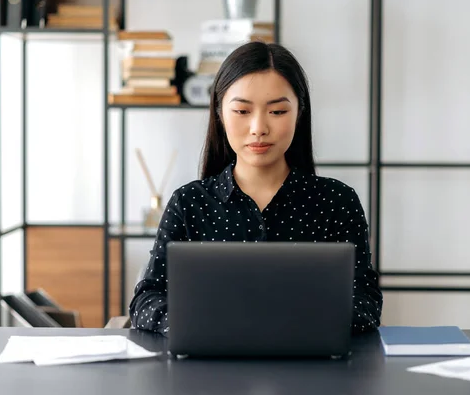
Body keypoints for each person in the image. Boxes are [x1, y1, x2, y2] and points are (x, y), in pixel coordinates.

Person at [129, 41, 383, 334]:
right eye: (242, 111)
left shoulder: (336, 201)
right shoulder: (189, 203)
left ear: (299, 113)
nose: (258, 127)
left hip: (313, 368)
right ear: (219, 113)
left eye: (277, 112)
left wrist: (296, 322)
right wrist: (193, 325)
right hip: (208, 369)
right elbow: (146, 299)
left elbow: (366, 301)